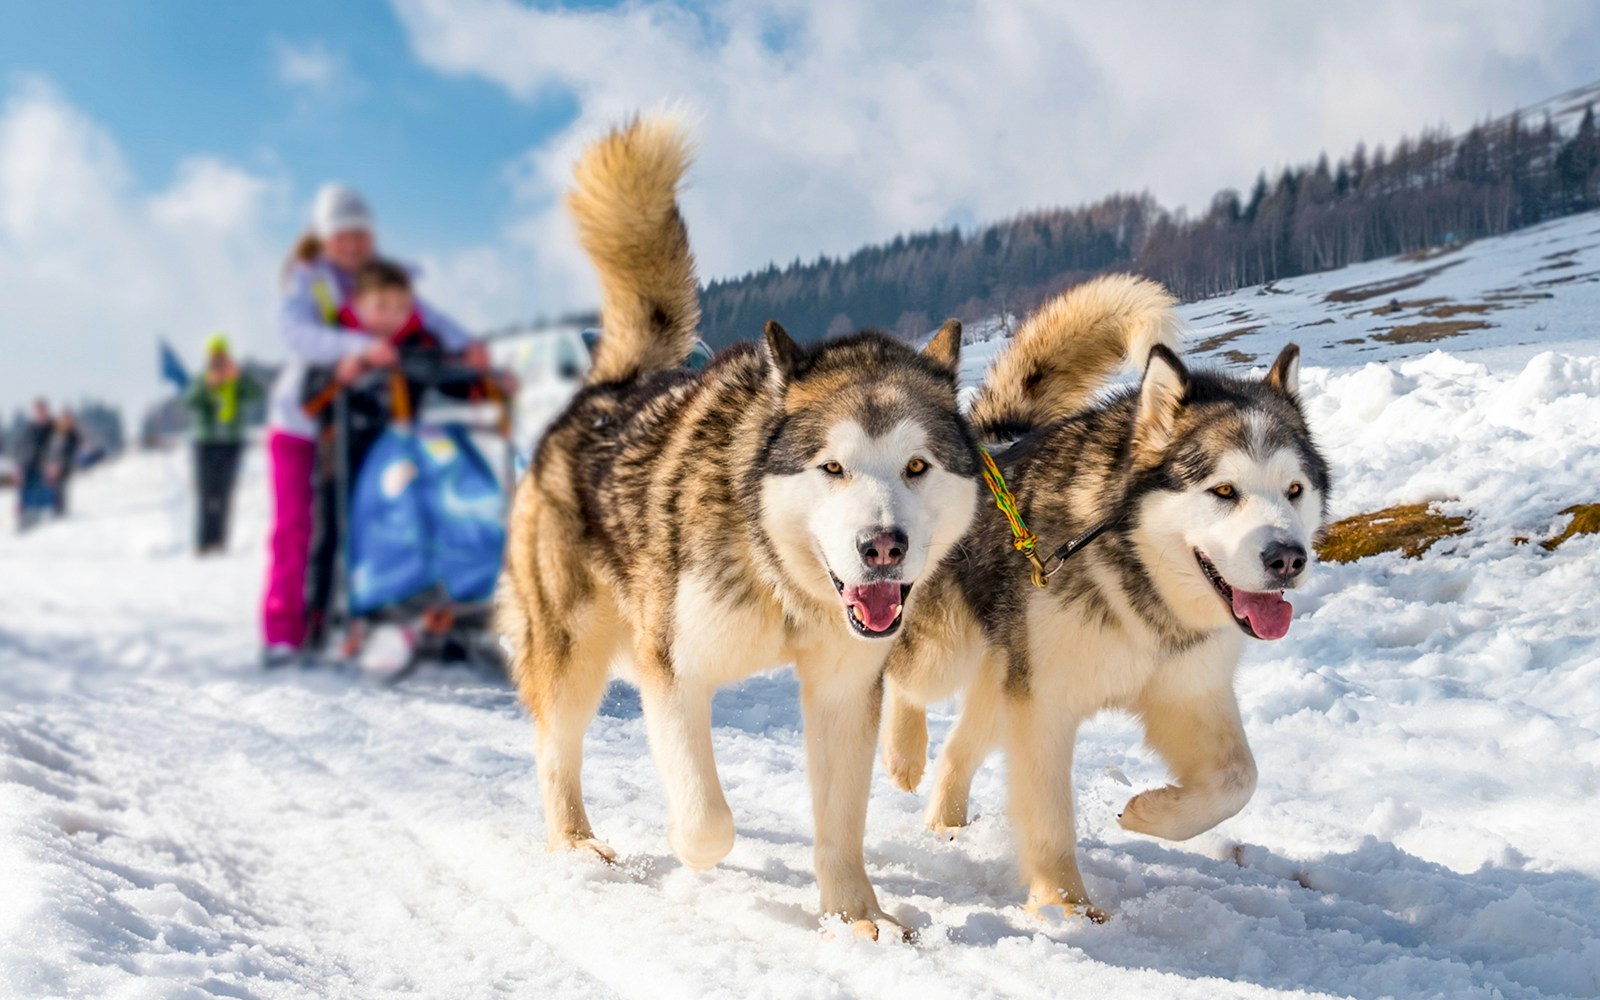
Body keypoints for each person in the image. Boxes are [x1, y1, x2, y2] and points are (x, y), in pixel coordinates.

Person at [261, 184, 478, 667]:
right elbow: (297, 333)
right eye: (342, 234)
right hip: (303, 420)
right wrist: (356, 351)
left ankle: (389, 620)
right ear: (323, 237)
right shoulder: (310, 279)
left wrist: (468, 350)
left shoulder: (380, 281)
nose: (353, 243)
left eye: (360, 233)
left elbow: (430, 320)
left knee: (382, 519)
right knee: (299, 527)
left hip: (363, 420)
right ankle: (287, 633)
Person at [185, 334, 262, 554]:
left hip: (231, 442)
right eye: (214, 357)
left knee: (225, 493)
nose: (218, 362)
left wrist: (240, 377)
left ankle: (220, 541)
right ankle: (203, 541)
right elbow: (189, 400)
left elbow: (258, 394)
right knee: (206, 493)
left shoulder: (236, 378)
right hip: (206, 442)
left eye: (221, 357)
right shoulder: (202, 378)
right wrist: (206, 385)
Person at [15, 400, 56, 530]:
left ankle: (41, 527)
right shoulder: (30, 428)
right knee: (25, 497)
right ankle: (23, 526)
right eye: (37, 410)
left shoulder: (53, 427)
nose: (39, 413)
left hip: (46, 466)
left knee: (43, 498)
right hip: (29, 465)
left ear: (46, 410)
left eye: (41, 410)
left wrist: (52, 463)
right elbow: (22, 446)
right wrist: (19, 467)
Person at [49, 409, 81, 517]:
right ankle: (53, 510)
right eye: (63, 419)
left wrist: (60, 464)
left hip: (65, 466)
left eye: (67, 420)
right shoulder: (56, 434)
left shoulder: (73, 436)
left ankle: (60, 511)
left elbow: (71, 452)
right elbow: (51, 450)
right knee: (51, 488)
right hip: (52, 466)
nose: (65, 422)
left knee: (60, 488)